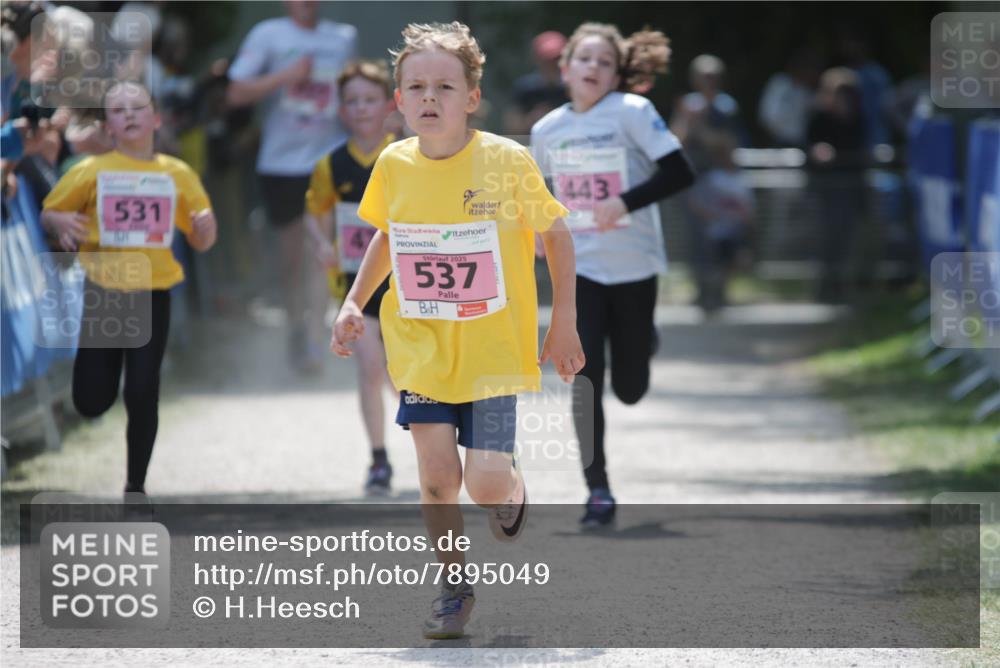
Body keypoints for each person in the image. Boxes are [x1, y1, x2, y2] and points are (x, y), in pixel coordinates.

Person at [330, 22, 583, 639]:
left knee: (483, 482)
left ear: (472, 97)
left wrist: (565, 323)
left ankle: (510, 483)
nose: (429, 97)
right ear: (398, 99)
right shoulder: (393, 163)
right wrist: (354, 301)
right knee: (439, 477)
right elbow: (387, 237)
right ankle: (452, 588)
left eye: (445, 85)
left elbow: (554, 234)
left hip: (493, 351)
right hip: (421, 348)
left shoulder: (505, 160)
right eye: (415, 86)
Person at [530, 22, 695, 528]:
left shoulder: (633, 113)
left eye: (605, 62)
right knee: (584, 381)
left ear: (617, 73)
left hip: (634, 266)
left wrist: (622, 200)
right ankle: (597, 489)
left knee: (629, 388)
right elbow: (540, 198)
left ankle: (641, 339)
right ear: (565, 69)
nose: (594, 69)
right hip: (579, 269)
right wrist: (537, 235)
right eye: (585, 60)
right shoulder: (546, 131)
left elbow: (679, 173)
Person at [41, 80, 217, 496]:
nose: (130, 115)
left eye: (138, 107)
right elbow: (50, 213)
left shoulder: (176, 173)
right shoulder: (90, 171)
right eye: (118, 111)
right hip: (105, 291)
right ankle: (96, 390)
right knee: (92, 401)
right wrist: (60, 223)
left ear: (156, 118)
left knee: (142, 389)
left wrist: (205, 230)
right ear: (108, 127)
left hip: (154, 292)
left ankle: (135, 486)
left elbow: (202, 237)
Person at [227, 0, 356, 373]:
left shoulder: (342, 37)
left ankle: (316, 341)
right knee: (292, 257)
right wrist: (286, 77)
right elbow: (236, 92)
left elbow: (350, 93)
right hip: (281, 163)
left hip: (328, 159)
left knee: (321, 253)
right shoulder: (268, 35)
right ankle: (296, 328)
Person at [304, 60, 397, 494]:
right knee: (370, 368)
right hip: (353, 283)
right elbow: (316, 210)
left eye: (370, 100)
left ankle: (431, 442)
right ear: (342, 110)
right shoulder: (331, 164)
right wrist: (323, 243)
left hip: (406, 284)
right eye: (352, 101)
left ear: (390, 106)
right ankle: (378, 458)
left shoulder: (406, 156)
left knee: (402, 374)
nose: (361, 109)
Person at [806, 67, 867, 303]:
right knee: (824, 241)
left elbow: (857, 148)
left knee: (847, 240)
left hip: (850, 189)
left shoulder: (858, 118)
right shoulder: (818, 116)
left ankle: (843, 287)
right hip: (825, 191)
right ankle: (823, 288)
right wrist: (818, 152)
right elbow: (808, 145)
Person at [684, 134, 755, 310]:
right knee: (711, 266)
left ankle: (720, 295)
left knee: (730, 264)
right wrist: (709, 215)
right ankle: (708, 297)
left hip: (735, 229)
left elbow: (748, 206)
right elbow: (695, 201)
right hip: (713, 231)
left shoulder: (740, 177)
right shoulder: (711, 178)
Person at [502, 30, 568, 137]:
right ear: (537, 60)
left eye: (557, 59)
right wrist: (533, 119)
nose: (553, 65)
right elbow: (511, 129)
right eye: (547, 60)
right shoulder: (525, 89)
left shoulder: (575, 89)